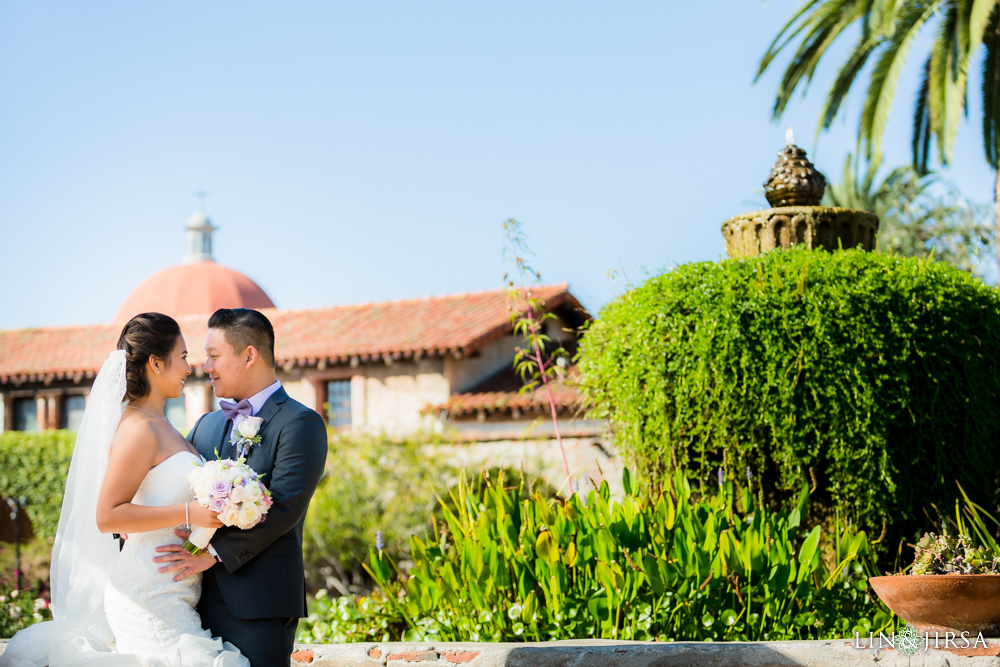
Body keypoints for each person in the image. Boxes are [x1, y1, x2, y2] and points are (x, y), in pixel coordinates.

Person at [1, 312, 249, 666]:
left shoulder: (163, 425)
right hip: (147, 596)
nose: (190, 367)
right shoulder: (138, 429)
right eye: (182, 357)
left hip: (173, 590)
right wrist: (188, 513)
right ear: (155, 363)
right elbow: (108, 516)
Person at [152, 308, 328, 667]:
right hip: (190, 603)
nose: (206, 366)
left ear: (249, 355)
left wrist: (212, 555)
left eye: (214, 355)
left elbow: (285, 508)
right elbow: (172, 482)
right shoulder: (206, 424)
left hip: (259, 605)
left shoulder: (301, 423)